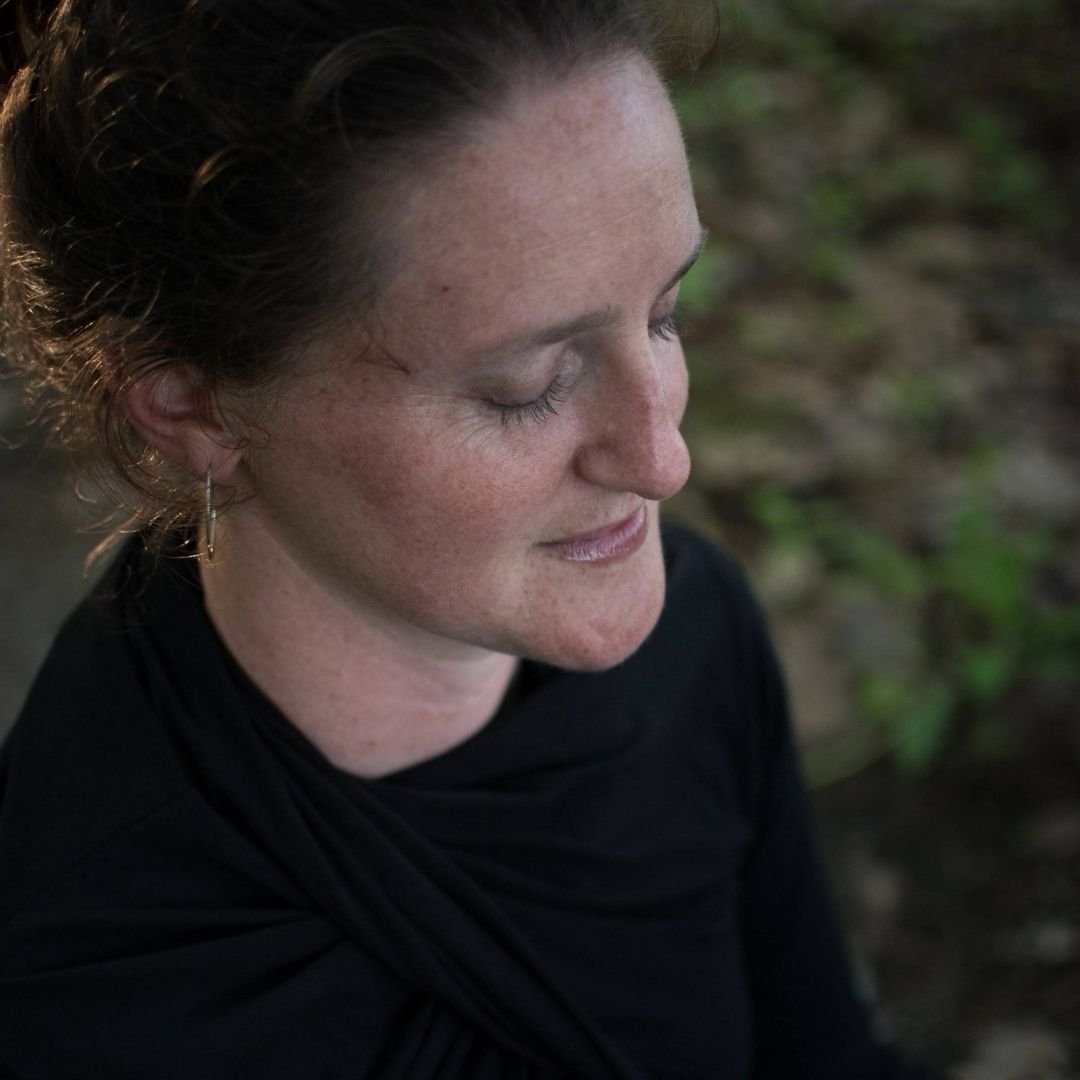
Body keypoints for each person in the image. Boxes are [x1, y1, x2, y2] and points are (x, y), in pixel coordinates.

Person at [0, 2, 938, 1076]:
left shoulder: (695, 633)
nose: (663, 459)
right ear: (192, 407)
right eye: (526, 387)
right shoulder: (85, 979)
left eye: (667, 313)